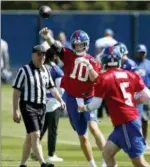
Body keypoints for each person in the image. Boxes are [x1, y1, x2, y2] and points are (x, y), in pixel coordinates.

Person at [39, 27, 106, 167]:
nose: (78, 46)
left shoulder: (93, 61)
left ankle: (106, 161)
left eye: (81, 44)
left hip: (88, 98)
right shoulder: (68, 54)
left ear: (86, 44)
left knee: (93, 127)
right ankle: (92, 164)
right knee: (82, 136)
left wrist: (89, 67)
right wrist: (47, 36)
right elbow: (55, 46)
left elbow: (96, 80)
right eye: (76, 44)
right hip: (72, 99)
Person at [77, 46, 150, 167]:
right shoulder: (131, 75)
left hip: (126, 122)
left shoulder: (103, 78)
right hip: (125, 123)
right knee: (107, 153)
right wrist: (133, 101)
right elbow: (148, 96)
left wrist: (84, 108)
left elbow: (96, 104)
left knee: (138, 162)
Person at [12, 44, 65, 167]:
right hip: (28, 106)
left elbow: (52, 87)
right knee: (36, 134)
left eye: (43, 55)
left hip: (42, 107)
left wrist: (60, 100)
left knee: (30, 137)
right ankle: (43, 163)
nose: (41, 57)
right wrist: (16, 110)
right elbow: (16, 91)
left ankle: (23, 164)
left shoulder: (46, 70)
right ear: (33, 55)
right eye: (39, 54)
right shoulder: (24, 70)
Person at [30, 42, 64, 162]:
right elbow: (60, 88)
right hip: (53, 103)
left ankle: (34, 151)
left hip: (40, 101)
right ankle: (51, 154)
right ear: (55, 57)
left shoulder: (40, 67)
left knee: (41, 129)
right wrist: (61, 100)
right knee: (52, 130)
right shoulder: (56, 70)